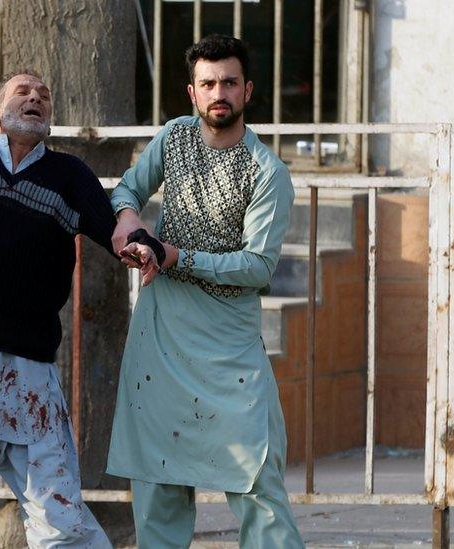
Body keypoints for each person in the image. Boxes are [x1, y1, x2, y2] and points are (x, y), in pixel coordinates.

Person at [0, 70, 159, 549]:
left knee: (56, 500)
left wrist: (139, 242)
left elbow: (111, 229)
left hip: (28, 363)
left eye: (44, 95)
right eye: (23, 91)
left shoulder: (70, 176)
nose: (36, 97)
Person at [106, 34, 305, 548]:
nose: (220, 92)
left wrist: (176, 256)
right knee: (158, 484)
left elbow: (257, 267)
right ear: (192, 93)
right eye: (209, 83)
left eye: (230, 83)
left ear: (248, 91)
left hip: (228, 348)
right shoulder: (173, 139)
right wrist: (129, 225)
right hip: (161, 337)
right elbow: (127, 188)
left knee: (258, 483)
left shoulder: (267, 172)